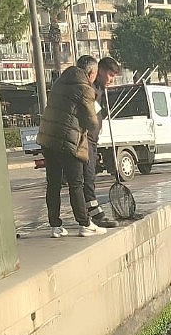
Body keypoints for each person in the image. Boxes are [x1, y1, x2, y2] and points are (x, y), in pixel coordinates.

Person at [36, 55, 107, 238]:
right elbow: (92, 121)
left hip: (48, 139)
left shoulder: (60, 83)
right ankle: (84, 224)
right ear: (91, 73)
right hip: (69, 142)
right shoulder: (85, 88)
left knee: (53, 183)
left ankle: (55, 226)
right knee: (76, 184)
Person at [83, 57, 121, 228]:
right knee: (87, 177)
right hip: (85, 140)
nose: (112, 79)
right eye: (110, 75)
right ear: (100, 71)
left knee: (89, 175)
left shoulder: (99, 89)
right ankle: (91, 214)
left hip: (92, 141)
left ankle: (87, 213)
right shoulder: (89, 88)